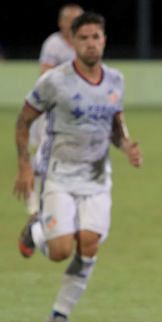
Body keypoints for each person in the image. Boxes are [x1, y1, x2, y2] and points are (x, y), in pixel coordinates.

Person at [14, 11, 143, 322]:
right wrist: (24, 165)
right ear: (73, 42)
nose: (90, 44)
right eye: (83, 38)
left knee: (89, 243)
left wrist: (126, 145)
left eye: (95, 37)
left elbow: (114, 125)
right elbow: (23, 120)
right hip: (58, 173)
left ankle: (59, 315)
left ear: (104, 40)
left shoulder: (116, 79)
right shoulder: (55, 80)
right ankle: (36, 232)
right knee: (60, 251)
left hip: (97, 176)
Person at [25, 4, 84, 217]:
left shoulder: (84, 45)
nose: (76, 22)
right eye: (72, 19)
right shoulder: (53, 44)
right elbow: (45, 75)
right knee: (43, 155)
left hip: (74, 112)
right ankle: (33, 201)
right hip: (50, 109)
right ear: (62, 22)